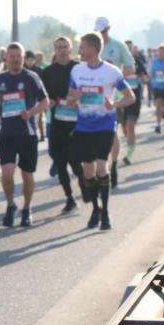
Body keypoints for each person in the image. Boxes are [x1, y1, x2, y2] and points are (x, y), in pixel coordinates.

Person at [65, 32, 135, 231]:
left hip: (104, 125)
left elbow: (130, 97)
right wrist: (74, 98)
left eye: (82, 47)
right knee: (88, 170)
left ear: (94, 49)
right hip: (83, 126)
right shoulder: (77, 71)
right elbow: (70, 100)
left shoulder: (112, 72)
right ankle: (95, 209)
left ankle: (106, 212)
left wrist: (115, 103)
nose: (79, 50)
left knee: (102, 167)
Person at [0, 43, 48, 228]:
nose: (15, 59)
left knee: (27, 175)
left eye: (19, 56)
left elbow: (45, 101)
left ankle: (27, 208)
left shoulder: (31, 77)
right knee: (7, 173)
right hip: (7, 134)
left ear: (23, 57)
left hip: (27, 133)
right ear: (6, 58)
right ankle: (10, 205)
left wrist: (31, 112)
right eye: (12, 56)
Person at [41, 36, 83, 213]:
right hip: (57, 122)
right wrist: (48, 102)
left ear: (71, 49)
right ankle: (70, 197)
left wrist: (79, 100)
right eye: (58, 47)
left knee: (75, 161)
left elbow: (87, 92)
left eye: (65, 47)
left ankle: (85, 183)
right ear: (54, 50)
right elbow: (43, 96)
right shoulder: (48, 72)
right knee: (59, 160)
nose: (62, 50)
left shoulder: (79, 69)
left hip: (78, 123)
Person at [95, 18, 134, 186]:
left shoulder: (118, 46)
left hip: (114, 97)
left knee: (112, 133)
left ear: (108, 29)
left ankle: (114, 164)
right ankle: (100, 166)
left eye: (103, 31)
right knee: (95, 133)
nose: (101, 35)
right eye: (98, 32)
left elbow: (131, 67)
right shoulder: (92, 45)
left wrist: (117, 78)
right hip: (94, 98)